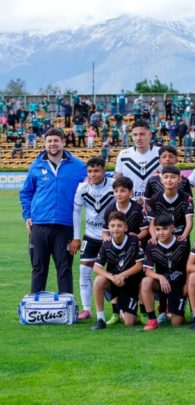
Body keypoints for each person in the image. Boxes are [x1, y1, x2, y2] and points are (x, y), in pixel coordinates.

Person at [20, 128, 87, 295]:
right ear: (44, 143)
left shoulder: (79, 166)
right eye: (49, 141)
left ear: (63, 142)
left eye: (56, 140)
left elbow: (96, 178)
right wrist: (27, 215)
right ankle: (35, 308)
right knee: (38, 268)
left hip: (65, 226)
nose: (53, 144)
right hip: (39, 226)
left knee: (64, 269)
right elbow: (26, 193)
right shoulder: (36, 165)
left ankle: (67, 308)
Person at [71, 157, 114, 320]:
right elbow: (76, 212)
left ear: (104, 170)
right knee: (84, 271)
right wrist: (76, 237)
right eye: (89, 171)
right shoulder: (82, 188)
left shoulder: (113, 186)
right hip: (90, 236)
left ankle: (120, 309)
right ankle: (87, 309)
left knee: (116, 272)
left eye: (96, 171)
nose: (92, 174)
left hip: (110, 237)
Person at [91, 212, 145, 330]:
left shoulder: (134, 241)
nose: (116, 229)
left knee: (129, 322)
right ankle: (100, 319)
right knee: (98, 281)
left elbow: (139, 265)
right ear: (108, 228)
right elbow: (96, 267)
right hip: (114, 281)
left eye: (119, 225)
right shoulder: (106, 245)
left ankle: (130, 311)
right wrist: (112, 277)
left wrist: (122, 275)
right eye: (113, 226)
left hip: (130, 283)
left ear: (125, 227)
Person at [140, 214, 190, 330]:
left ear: (173, 228)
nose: (161, 232)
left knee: (176, 323)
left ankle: (170, 308)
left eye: (165, 229)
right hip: (161, 284)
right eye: (157, 229)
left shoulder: (182, 243)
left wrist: (187, 284)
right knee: (146, 281)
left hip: (179, 284)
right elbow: (148, 271)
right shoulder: (152, 245)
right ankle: (152, 319)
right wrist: (160, 277)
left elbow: (189, 267)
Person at [114, 120, 160, 203]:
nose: (138, 138)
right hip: (131, 204)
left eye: (142, 134)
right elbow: (117, 179)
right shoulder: (123, 155)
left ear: (150, 135)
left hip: (155, 204)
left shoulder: (161, 153)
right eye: (135, 135)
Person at [145, 166, 194, 245]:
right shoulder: (155, 198)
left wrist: (184, 235)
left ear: (179, 179)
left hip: (180, 236)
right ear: (161, 180)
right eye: (166, 177)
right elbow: (152, 222)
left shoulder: (186, 198)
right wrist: (154, 237)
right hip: (161, 237)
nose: (169, 180)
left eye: (173, 177)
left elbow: (189, 221)